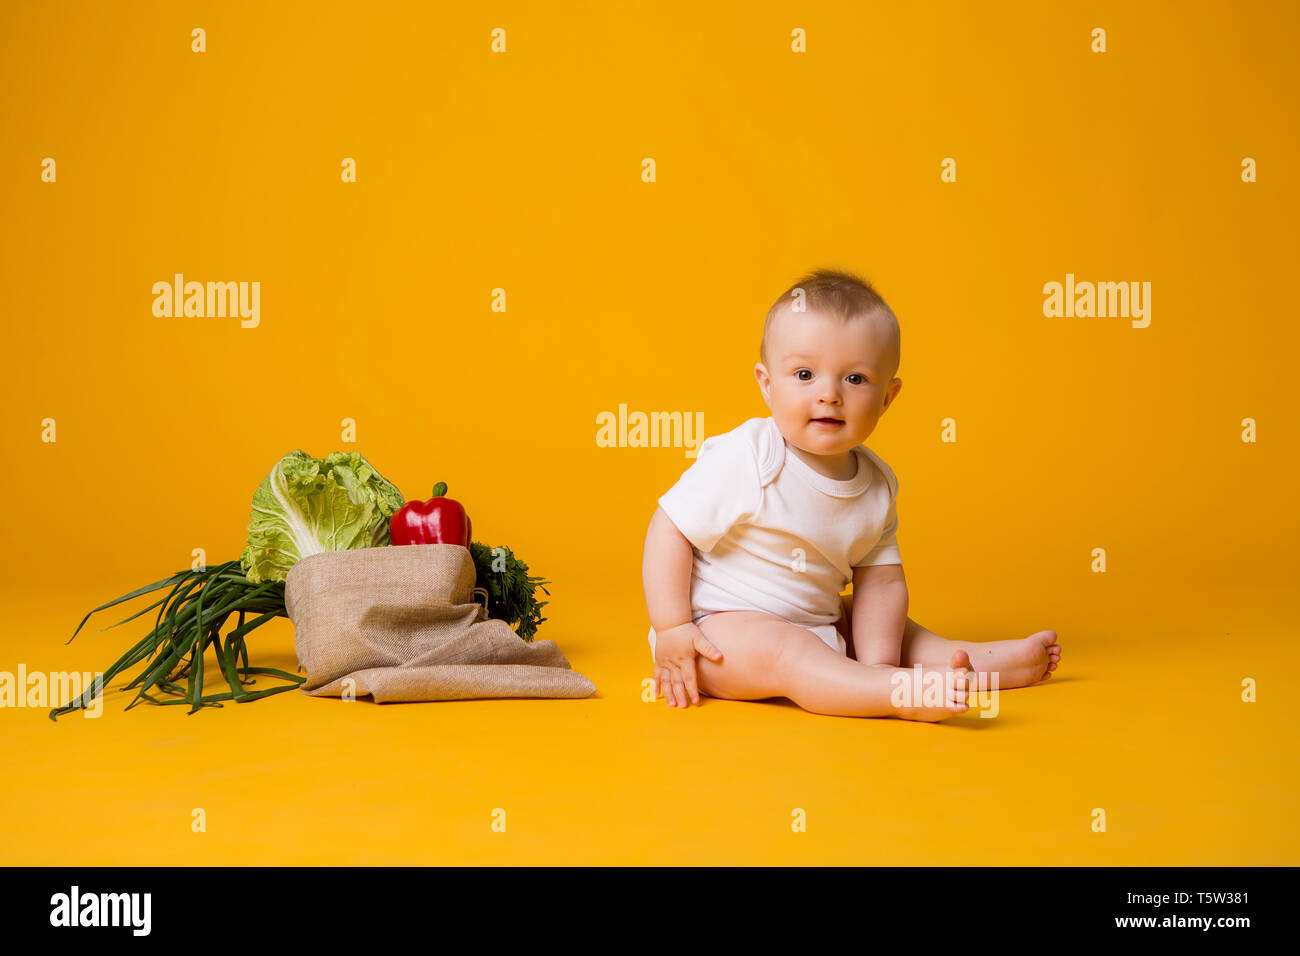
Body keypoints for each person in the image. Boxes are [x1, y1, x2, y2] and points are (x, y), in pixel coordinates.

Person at [641, 269, 1061, 720]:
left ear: (887, 397)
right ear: (766, 384)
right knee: (789, 650)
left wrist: (878, 658)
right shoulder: (750, 456)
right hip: (719, 636)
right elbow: (670, 529)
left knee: (887, 625)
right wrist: (672, 627)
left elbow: (881, 580)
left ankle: (974, 665)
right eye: (804, 374)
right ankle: (894, 693)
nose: (829, 395)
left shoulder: (877, 482)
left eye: (856, 379)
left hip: (816, 620)